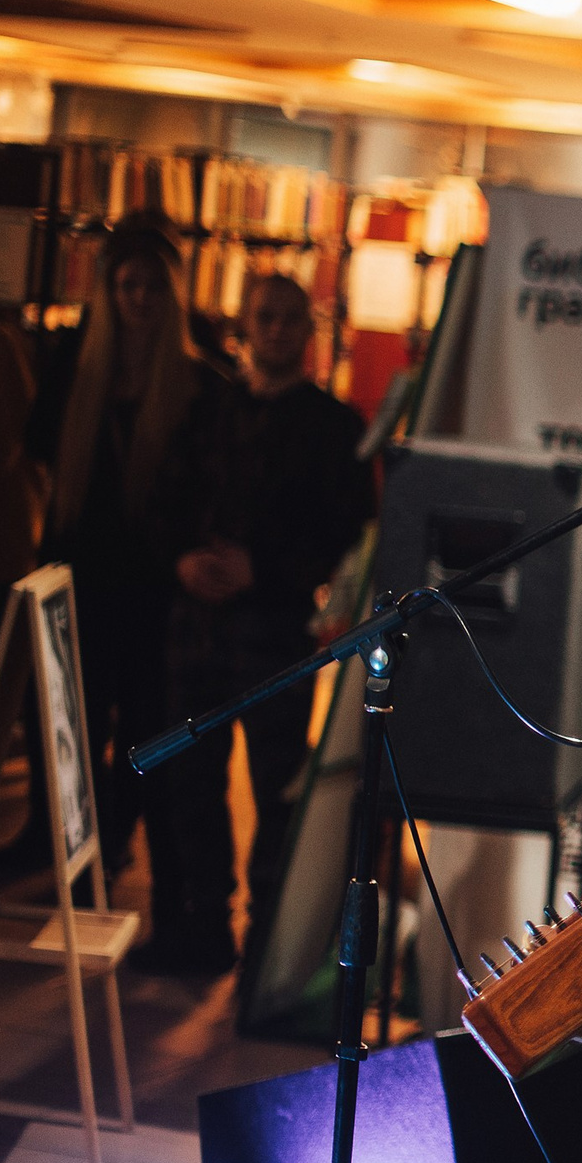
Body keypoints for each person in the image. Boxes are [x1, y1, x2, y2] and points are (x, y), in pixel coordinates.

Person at [146, 274, 372, 977]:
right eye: (263, 317)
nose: (275, 329)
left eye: (288, 320)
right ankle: (203, 930)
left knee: (278, 789)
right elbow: (163, 502)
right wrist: (183, 561)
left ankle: (269, 949)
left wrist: (265, 569)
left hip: (275, 633)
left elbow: (347, 531)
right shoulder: (204, 410)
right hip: (197, 628)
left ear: (309, 332)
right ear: (244, 324)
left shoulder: (336, 427)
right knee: (192, 787)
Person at [27, 218, 226, 885]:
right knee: (71, 720)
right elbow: (39, 460)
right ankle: (66, 843)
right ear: (109, 292)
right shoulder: (76, 374)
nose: (139, 298)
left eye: (152, 287)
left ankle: (113, 841)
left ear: (172, 295)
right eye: (127, 285)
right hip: (79, 577)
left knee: (143, 722)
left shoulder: (200, 387)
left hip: (152, 588)